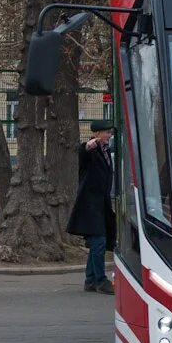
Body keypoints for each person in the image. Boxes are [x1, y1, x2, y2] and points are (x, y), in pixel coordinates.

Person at [66, 120, 117, 294]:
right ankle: (100, 281)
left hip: (101, 203)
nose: (109, 136)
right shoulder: (90, 149)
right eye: (107, 133)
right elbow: (83, 152)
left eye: (110, 133)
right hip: (89, 204)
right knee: (99, 241)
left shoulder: (106, 151)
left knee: (97, 242)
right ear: (97, 134)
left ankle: (90, 280)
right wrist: (89, 145)